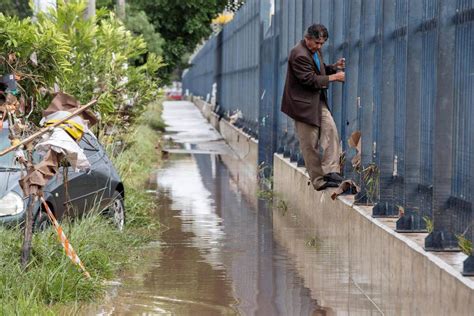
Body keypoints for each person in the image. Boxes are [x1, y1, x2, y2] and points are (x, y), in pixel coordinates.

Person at [281, 24, 345, 191]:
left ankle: (330, 171)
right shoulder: (299, 54)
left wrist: (334, 67)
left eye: (322, 43)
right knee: (310, 143)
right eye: (316, 42)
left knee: (330, 129)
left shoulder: (314, 50)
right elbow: (310, 79)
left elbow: (319, 70)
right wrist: (335, 77)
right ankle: (318, 180)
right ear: (307, 38)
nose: (319, 46)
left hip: (316, 101)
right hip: (302, 106)